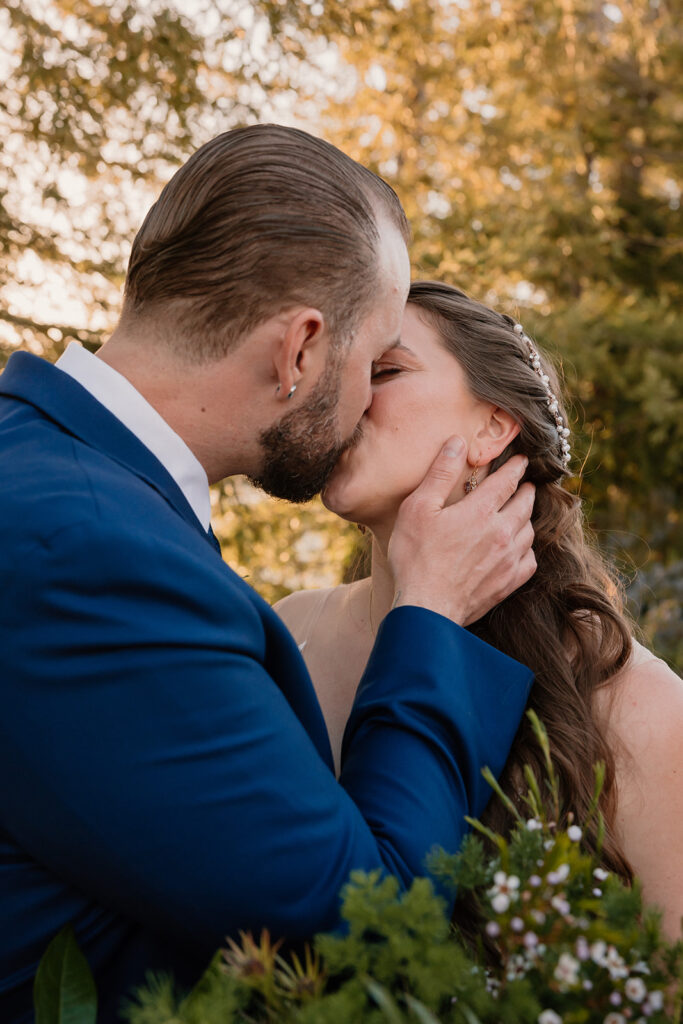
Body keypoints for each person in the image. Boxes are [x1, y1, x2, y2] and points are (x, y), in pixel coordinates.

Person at [0, 129, 538, 1022]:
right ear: (299, 351)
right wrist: (430, 615)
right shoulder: (92, 555)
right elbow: (361, 927)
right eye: (371, 364)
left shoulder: (52, 473)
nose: (368, 400)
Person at [275, 279, 683, 940]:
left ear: (492, 426)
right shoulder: (292, 629)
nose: (338, 395)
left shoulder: (636, 703)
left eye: (385, 370)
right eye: (335, 370)